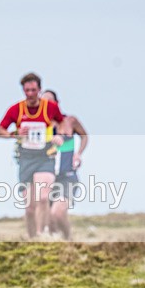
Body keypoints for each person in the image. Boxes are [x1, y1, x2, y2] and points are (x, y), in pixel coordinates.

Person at [0, 74, 65, 238]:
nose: (30, 93)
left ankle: (42, 234)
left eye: (33, 90)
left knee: (43, 197)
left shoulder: (50, 107)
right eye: (27, 90)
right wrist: (15, 133)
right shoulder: (16, 110)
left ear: (39, 90)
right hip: (26, 158)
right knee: (30, 207)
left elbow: (62, 122)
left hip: (46, 157)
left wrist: (60, 135)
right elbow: (0, 131)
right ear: (23, 90)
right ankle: (32, 237)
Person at [42, 91, 88, 239]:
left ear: (57, 103)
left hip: (67, 175)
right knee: (48, 219)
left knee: (58, 212)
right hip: (48, 176)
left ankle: (69, 239)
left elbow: (84, 136)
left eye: (50, 101)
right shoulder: (41, 126)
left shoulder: (70, 121)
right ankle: (56, 249)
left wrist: (78, 153)